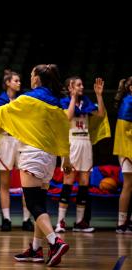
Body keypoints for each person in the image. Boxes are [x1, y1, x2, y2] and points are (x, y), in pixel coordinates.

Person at [0, 64, 70, 267]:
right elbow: (64, 132)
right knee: (40, 203)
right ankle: (36, 249)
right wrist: (67, 159)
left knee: (32, 203)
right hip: (50, 158)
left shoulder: (27, 99)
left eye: (30, 75)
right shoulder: (56, 102)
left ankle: (55, 242)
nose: (29, 78)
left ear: (36, 78)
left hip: (32, 154)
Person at [55, 76, 109, 233]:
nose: (82, 87)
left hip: (85, 142)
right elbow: (68, 117)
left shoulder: (86, 101)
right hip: (71, 143)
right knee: (69, 180)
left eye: (82, 84)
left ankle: (79, 222)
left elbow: (101, 114)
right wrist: (72, 98)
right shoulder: (64, 101)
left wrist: (99, 95)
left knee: (84, 182)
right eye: (78, 84)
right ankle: (60, 222)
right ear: (70, 87)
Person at [0, 70, 33, 232]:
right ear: (8, 83)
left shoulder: (24, 101)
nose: (19, 83)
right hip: (5, 140)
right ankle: (7, 219)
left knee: (27, 183)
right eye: (16, 80)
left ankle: (26, 219)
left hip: (21, 140)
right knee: (5, 183)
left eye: (19, 81)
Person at [114, 76, 132, 233]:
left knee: (129, 186)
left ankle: (125, 222)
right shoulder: (128, 101)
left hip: (127, 148)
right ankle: (121, 223)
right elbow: (125, 130)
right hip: (127, 149)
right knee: (127, 185)